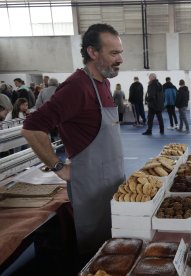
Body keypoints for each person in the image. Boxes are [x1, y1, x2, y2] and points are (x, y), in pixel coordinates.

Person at [21, 23, 125, 261]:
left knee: (111, 247)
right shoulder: (77, 87)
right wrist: (58, 167)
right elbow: (31, 128)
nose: (120, 58)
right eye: (113, 53)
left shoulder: (104, 83)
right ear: (92, 52)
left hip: (111, 182)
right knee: (94, 253)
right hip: (89, 188)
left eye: (120, 52)